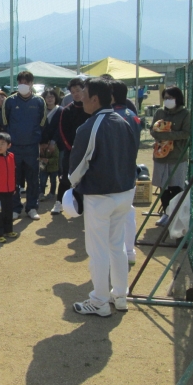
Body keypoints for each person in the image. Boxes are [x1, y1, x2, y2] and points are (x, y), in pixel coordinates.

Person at [69, 78, 138, 316]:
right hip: (125, 192)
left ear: (95, 99)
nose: (81, 98)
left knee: (98, 250)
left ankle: (99, 300)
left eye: (84, 94)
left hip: (100, 195)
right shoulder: (124, 120)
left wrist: (73, 186)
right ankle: (120, 295)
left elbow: (76, 167)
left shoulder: (90, 126)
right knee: (117, 246)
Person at [2, 71, 47, 220]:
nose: (23, 85)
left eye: (26, 82)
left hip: (32, 147)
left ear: (32, 83)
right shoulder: (10, 101)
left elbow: (43, 122)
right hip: (14, 147)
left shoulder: (39, 101)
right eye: (21, 82)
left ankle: (32, 207)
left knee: (33, 179)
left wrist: (35, 137)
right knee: (14, 178)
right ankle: (15, 208)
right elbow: (5, 121)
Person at [110, 81, 143, 265]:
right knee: (128, 211)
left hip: (115, 171)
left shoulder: (112, 116)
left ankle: (118, 254)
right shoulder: (132, 114)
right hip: (130, 169)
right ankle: (129, 251)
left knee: (113, 215)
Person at [150, 86, 191, 227]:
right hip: (160, 155)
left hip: (177, 156)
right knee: (163, 186)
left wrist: (167, 135)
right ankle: (166, 213)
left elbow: (186, 133)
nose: (168, 100)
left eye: (170, 98)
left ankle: (176, 213)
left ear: (177, 98)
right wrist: (159, 135)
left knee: (176, 186)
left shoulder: (185, 114)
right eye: (166, 98)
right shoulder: (159, 112)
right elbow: (153, 130)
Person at [52, 77, 90, 214]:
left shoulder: (91, 109)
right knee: (66, 178)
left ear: (84, 90)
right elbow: (62, 131)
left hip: (90, 151)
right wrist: (71, 148)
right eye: (73, 92)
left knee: (88, 178)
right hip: (71, 151)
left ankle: (85, 205)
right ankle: (59, 203)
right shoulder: (66, 110)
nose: (76, 94)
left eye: (78, 90)